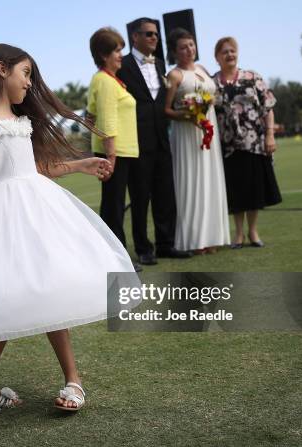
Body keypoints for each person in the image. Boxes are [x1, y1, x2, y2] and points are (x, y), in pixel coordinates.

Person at [0, 44, 140, 412]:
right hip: (4, 219)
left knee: (48, 289)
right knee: (8, 301)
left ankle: (71, 379)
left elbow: (37, 169)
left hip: (38, 210)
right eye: (26, 73)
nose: (30, 83)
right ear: (2, 70)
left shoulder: (22, 123)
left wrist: (82, 164)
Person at [116, 17, 192, 264]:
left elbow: (162, 100)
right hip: (136, 141)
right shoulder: (123, 65)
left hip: (162, 138)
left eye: (156, 35)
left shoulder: (160, 63)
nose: (154, 38)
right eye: (149, 34)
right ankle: (143, 249)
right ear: (135, 37)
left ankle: (166, 244)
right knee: (140, 197)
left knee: (165, 195)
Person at [164, 28, 230, 253]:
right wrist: (188, 114)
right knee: (191, 183)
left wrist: (206, 105)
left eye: (191, 45)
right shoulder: (174, 75)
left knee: (210, 181)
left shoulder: (202, 69)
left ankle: (213, 237)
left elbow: (212, 97)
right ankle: (194, 241)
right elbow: (166, 109)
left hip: (208, 132)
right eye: (183, 47)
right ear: (174, 51)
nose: (189, 50)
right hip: (186, 135)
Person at [213, 37, 282, 248]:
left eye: (232, 51)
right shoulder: (211, 83)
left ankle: (253, 232)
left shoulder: (252, 77)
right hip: (227, 147)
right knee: (235, 190)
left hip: (254, 143)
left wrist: (270, 135)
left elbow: (268, 108)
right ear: (217, 57)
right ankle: (239, 234)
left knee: (254, 189)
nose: (229, 55)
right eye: (224, 52)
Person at [86, 27, 142, 271]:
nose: (121, 54)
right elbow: (107, 120)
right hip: (115, 152)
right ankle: (119, 260)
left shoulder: (107, 80)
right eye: (116, 50)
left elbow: (90, 115)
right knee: (114, 208)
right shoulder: (105, 81)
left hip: (122, 152)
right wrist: (110, 154)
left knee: (115, 206)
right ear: (103, 54)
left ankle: (117, 258)